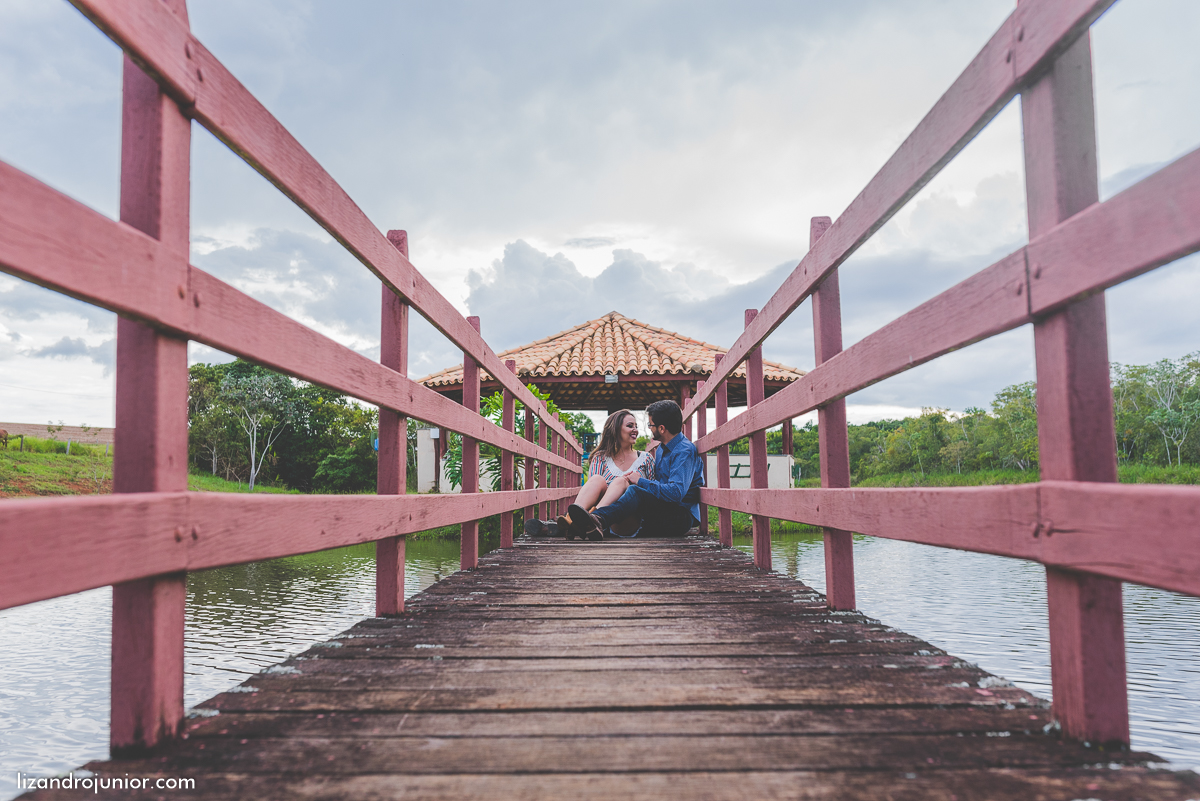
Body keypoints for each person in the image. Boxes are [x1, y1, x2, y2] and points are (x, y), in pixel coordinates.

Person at [569, 399, 704, 540]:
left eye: (651, 425)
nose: (649, 428)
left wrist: (640, 481)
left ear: (662, 429)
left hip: (680, 515)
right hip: (663, 508)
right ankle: (585, 521)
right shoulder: (661, 449)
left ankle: (598, 519)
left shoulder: (684, 451)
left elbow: (676, 493)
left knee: (635, 491)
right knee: (634, 492)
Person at [558, 409, 654, 539]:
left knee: (621, 481)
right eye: (630, 426)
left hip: (629, 520)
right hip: (605, 525)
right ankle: (571, 520)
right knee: (597, 479)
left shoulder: (646, 458)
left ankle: (592, 519)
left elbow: (652, 494)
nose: (635, 430)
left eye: (636, 426)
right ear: (616, 429)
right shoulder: (601, 457)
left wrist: (634, 482)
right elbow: (591, 492)